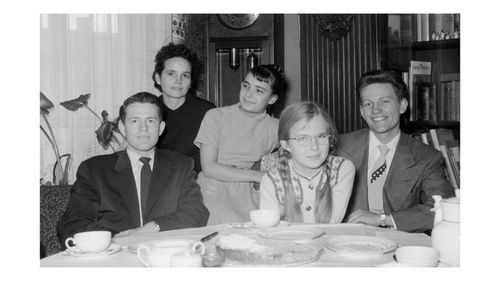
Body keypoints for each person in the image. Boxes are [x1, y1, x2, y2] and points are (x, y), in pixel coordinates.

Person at [57, 92, 209, 244]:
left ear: (161, 128)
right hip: (114, 257)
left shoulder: (180, 165)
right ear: (122, 128)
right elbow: (72, 224)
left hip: (164, 255)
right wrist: (120, 239)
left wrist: (150, 228)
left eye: (150, 121)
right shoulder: (95, 170)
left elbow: (196, 213)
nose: (143, 128)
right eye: (135, 121)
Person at [337, 69, 455, 232]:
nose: (375, 110)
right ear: (361, 111)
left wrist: (383, 220)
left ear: (402, 105)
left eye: (384, 101)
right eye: (368, 104)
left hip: (400, 245)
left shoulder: (427, 157)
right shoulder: (339, 147)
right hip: (346, 241)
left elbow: (442, 207)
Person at [194, 65, 284, 225]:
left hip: (251, 193)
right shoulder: (216, 116)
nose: (248, 94)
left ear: (272, 99)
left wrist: (269, 168)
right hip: (215, 189)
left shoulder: (276, 126)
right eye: (246, 85)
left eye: (259, 90)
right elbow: (209, 167)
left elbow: (294, 153)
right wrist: (259, 176)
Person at [259, 101, 355, 223]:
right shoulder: (272, 180)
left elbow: (331, 222)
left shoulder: (342, 169)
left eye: (321, 136)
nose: (314, 147)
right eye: (303, 138)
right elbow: (270, 230)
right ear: (286, 144)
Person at [153, 43, 215, 173]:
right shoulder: (148, 110)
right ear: (158, 78)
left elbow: (212, 160)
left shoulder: (207, 112)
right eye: (171, 74)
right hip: (157, 181)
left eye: (185, 75)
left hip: (197, 182)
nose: (178, 81)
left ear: (191, 82)